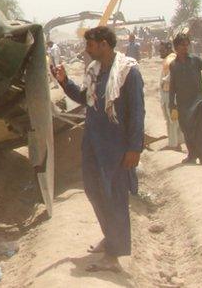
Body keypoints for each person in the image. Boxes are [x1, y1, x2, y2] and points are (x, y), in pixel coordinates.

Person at [52, 26, 144, 273]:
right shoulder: (95, 72)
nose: (87, 50)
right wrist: (63, 82)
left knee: (115, 198)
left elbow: (137, 112)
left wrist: (135, 148)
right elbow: (86, 99)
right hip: (94, 144)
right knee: (94, 191)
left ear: (104, 44)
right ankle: (110, 237)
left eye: (90, 45)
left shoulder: (128, 72)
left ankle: (114, 256)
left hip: (116, 148)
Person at [169, 33, 202, 166]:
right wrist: (171, 105)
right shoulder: (173, 65)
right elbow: (172, 86)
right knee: (187, 130)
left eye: (187, 45)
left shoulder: (196, 60)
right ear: (176, 47)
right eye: (182, 45)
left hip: (198, 102)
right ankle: (192, 155)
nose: (185, 48)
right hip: (183, 104)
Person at [158, 41, 184, 151]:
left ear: (168, 49)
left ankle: (174, 144)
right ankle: (176, 142)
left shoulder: (171, 59)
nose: (159, 51)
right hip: (168, 93)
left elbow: (173, 75)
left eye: (161, 49)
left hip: (170, 93)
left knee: (172, 119)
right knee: (172, 119)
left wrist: (164, 81)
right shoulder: (169, 59)